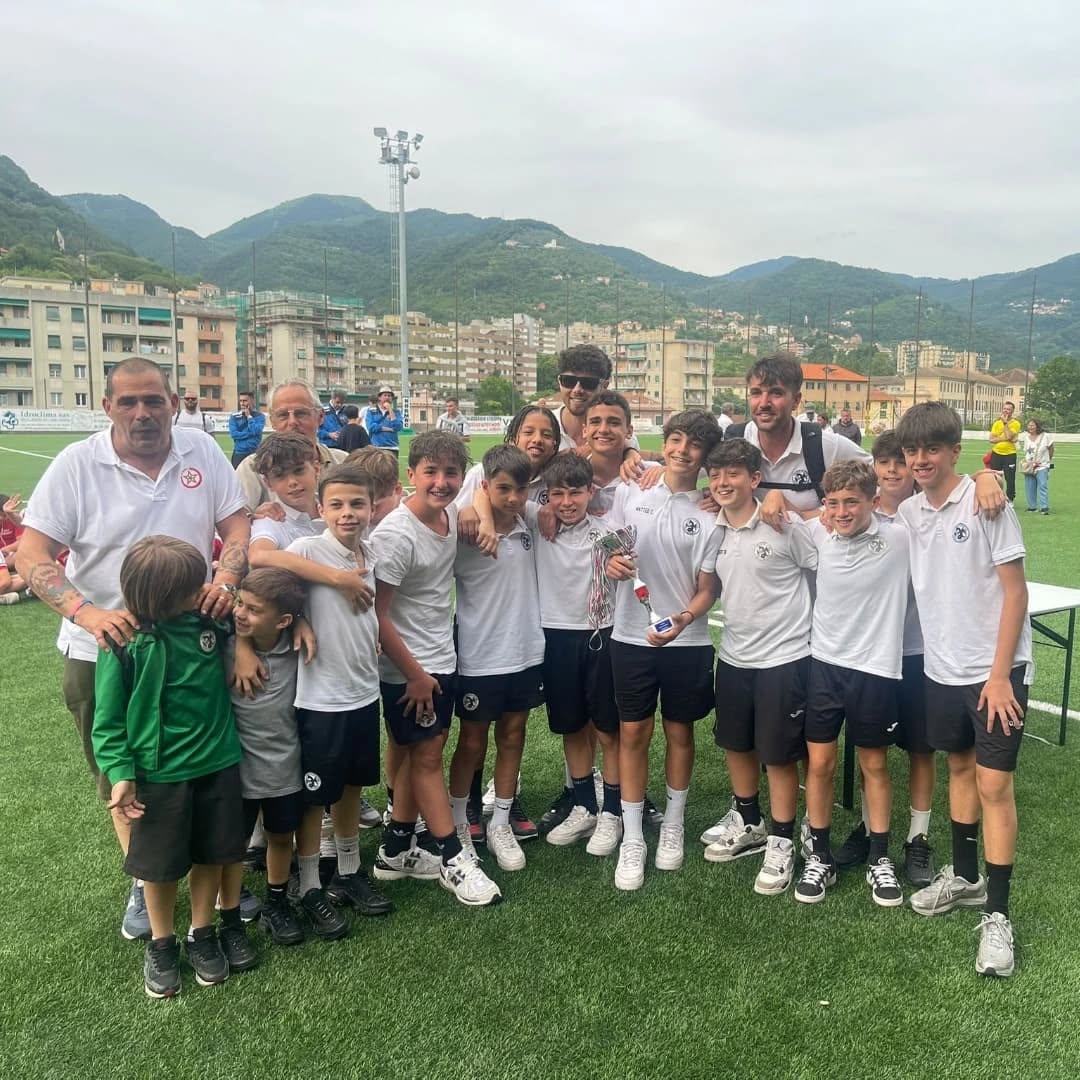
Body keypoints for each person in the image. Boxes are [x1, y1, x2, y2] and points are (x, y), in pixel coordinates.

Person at [15, 356, 249, 940]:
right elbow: (31, 553)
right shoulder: (77, 464)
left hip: (193, 645)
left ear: (173, 403)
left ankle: (210, 870)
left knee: (204, 764)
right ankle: (144, 881)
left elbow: (237, 526)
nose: (142, 413)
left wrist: (226, 578)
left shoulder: (202, 452)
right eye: (128, 402)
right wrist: (88, 613)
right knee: (123, 772)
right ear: (108, 407)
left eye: (153, 400)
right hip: (102, 647)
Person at [897, 402, 1031, 978]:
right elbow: (847, 496)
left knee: (994, 783)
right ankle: (967, 878)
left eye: (932, 449)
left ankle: (997, 915)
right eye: (912, 450)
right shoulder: (908, 510)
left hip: (995, 671)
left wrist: (999, 676)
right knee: (958, 767)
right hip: (941, 669)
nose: (920, 459)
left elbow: (1016, 593)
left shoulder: (986, 503)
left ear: (955, 450)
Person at [92, 536, 250, 998]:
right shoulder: (122, 641)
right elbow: (107, 721)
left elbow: (252, 620)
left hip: (218, 762)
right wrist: (121, 774)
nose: (203, 590)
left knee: (212, 855)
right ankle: (162, 944)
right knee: (160, 869)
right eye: (192, 586)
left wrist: (242, 639)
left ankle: (202, 933)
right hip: (158, 775)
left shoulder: (210, 619)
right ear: (162, 596)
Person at [370, 431, 501, 906]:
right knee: (427, 760)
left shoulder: (449, 514)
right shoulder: (395, 535)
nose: (441, 482)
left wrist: (473, 509)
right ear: (411, 474)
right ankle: (453, 857)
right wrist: (414, 675)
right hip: (410, 671)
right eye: (431, 472)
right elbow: (376, 616)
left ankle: (394, 851)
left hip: (440, 660)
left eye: (451, 472)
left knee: (417, 756)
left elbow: (484, 491)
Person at [605, 410, 722, 891]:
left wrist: (684, 619)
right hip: (630, 637)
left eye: (694, 445)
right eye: (675, 439)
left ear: (706, 457)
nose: (681, 451)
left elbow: (708, 588)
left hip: (686, 642)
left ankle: (672, 824)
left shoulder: (713, 512)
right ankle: (633, 835)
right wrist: (612, 561)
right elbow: (611, 545)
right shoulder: (632, 491)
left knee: (679, 732)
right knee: (632, 733)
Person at [701, 438, 816, 898]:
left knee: (779, 755)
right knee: (736, 744)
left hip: (783, 660)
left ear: (754, 479)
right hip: (734, 656)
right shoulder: (716, 529)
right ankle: (750, 821)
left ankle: (782, 841)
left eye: (733, 473)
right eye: (716, 475)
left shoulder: (783, 525)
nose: (723, 482)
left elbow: (823, 570)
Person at [283, 463, 393, 933]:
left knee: (351, 788)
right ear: (320, 509)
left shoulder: (372, 552)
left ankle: (348, 873)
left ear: (372, 507)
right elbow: (261, 569)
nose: (348, 513)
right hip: (320, 700)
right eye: (337, 505)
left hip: (363, 693)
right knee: (315, 799)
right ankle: (309, 884)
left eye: (357, 504)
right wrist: (300, 617)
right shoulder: (308, 549)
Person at [798, 461, 910, 908]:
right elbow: (780, 515)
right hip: (824, 666)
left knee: (874, 765)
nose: (842, 512)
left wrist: (984, 477)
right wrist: (778, 499)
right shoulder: (817, 533)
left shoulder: (900, 537)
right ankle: (819, 856)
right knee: (820, 764)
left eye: (852, 502)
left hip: (875, 669)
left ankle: (879, 858)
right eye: (833, 503)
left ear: (874, 502)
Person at [833, 431, 938, 888]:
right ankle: (869, 827)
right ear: (873, 468)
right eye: (885, 461)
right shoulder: (856, 513)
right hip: (868, 654)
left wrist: (987, 478)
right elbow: (813, 514)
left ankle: (917, 837)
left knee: (920, 748)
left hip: (916, 651)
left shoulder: (927, 514)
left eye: (901, 461)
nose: (894, 469)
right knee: (869, 748)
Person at [447, 446, 545, 871]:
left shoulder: (530, 523)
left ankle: (501, 823)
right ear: (485, 486)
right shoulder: (464, 527)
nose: (513, 497)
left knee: (513, 734)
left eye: (521, 489)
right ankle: (457, 825)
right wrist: (475, 510)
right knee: (471, 740)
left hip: (524, 652)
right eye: (503, 489)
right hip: (479, 654)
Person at [537, 452, 623, 856]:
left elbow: (629, 562)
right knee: (572, 727)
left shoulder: (608, 530)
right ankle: (586, 806)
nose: (566, 502)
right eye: (557, 494)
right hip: (556, 638)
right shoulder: (537, 524)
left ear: (591, 491)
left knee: (608, 730)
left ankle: (614, 812)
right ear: (547, 495)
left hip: (601, 635)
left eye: (575, 493)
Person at [222, 568, 309, 948]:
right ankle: (229, 918)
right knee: (233, 847)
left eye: (253, 609)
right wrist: (243, 645)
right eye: (240, 603)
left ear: (285, 621)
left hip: (284, 769)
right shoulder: (225, 647)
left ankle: (276, 902)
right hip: (235, 772)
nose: (240, 612)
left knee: (281, 837)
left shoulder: (298, 647)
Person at [724, 354, 870, 524]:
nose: (763, 403)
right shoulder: (734, 441)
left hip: (808, 542)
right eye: (756, 393)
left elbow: (884, 481)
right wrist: (708, 497)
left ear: (796, 400)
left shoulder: (823, 445)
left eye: (776, 393)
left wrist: (810, 514)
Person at [235, 379, 348, 511]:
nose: (292, 422)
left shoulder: (344, 462)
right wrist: (253, 518)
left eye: (301, 413)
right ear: (272, 421)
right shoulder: (251, 469)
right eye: (283, 415)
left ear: (320, 416)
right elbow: (236, 519)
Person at [1019, 418, 1054, 514]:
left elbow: (1051, 449)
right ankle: (1032, 507)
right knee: (1029, 487)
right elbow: (1026, 451)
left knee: (1043, 486)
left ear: (1037, 426)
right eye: (1029, 425)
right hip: (1029, 466)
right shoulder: (1026, 437)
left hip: (1042, 465)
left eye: (1033, 425)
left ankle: (1044, 507)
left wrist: (1047, 461)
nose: (1030, 427)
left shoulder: (1046, 436)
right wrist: (1027, 463)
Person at [988, 401, 1021, 503]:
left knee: (1010, 478)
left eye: (1008, 409)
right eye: (1005, 409)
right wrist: (1004, 438)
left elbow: (1010, 436)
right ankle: (996, 497)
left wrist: (1005, 423)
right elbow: (991, 439)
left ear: (1012, 411)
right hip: (996, 453)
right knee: (995, 477)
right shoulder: (997, 423)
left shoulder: (1016, 423)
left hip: (1010, 454)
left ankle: (1010, 499)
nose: (1006, 411)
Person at [0, 492, 28, 603]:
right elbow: (5, 582)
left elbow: (22, 541)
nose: (2, 518)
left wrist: (5, 550)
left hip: (9, 556)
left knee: (26, 578)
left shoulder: (13, 519)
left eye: (4, 515)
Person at [228, 392, 266, 467]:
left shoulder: (260, 416)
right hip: (239, 453)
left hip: (254, 453)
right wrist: (250, 433)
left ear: (252, 401)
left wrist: (249, 417)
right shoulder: (234, 417)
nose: (242, 403)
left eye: (245, 401)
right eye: (240, 401)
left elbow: (255, 430)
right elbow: (234, 434)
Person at [364, 386, 404, 456]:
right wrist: (387, 429)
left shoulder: (396, 412)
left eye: (389, 396)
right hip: (376, 447)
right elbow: (371, 427)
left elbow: (398, 427)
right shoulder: (371, 411)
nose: (387, 397)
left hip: (392, 447)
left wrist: (390, 410)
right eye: (385, 395)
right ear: (379, 397)